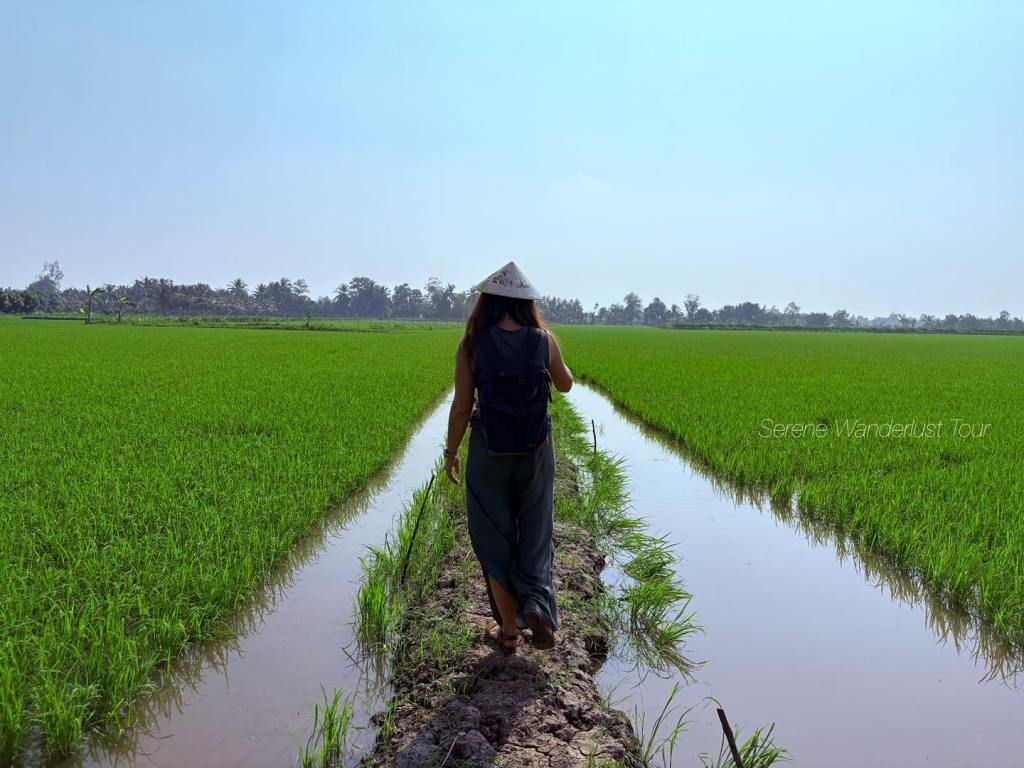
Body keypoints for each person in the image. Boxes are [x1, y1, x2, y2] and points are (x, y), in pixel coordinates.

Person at [443, 262, 574, 653]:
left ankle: (510, 634)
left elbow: (462, 407)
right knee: (535, 532)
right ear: (526, 304)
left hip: (489, 451)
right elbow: (565, 385)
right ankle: (536, 606)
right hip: (536, 450)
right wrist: (551, 355)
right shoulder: (543, 339)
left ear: (486, 303)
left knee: (494, 538)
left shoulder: (471, 345)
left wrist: (451, 452)